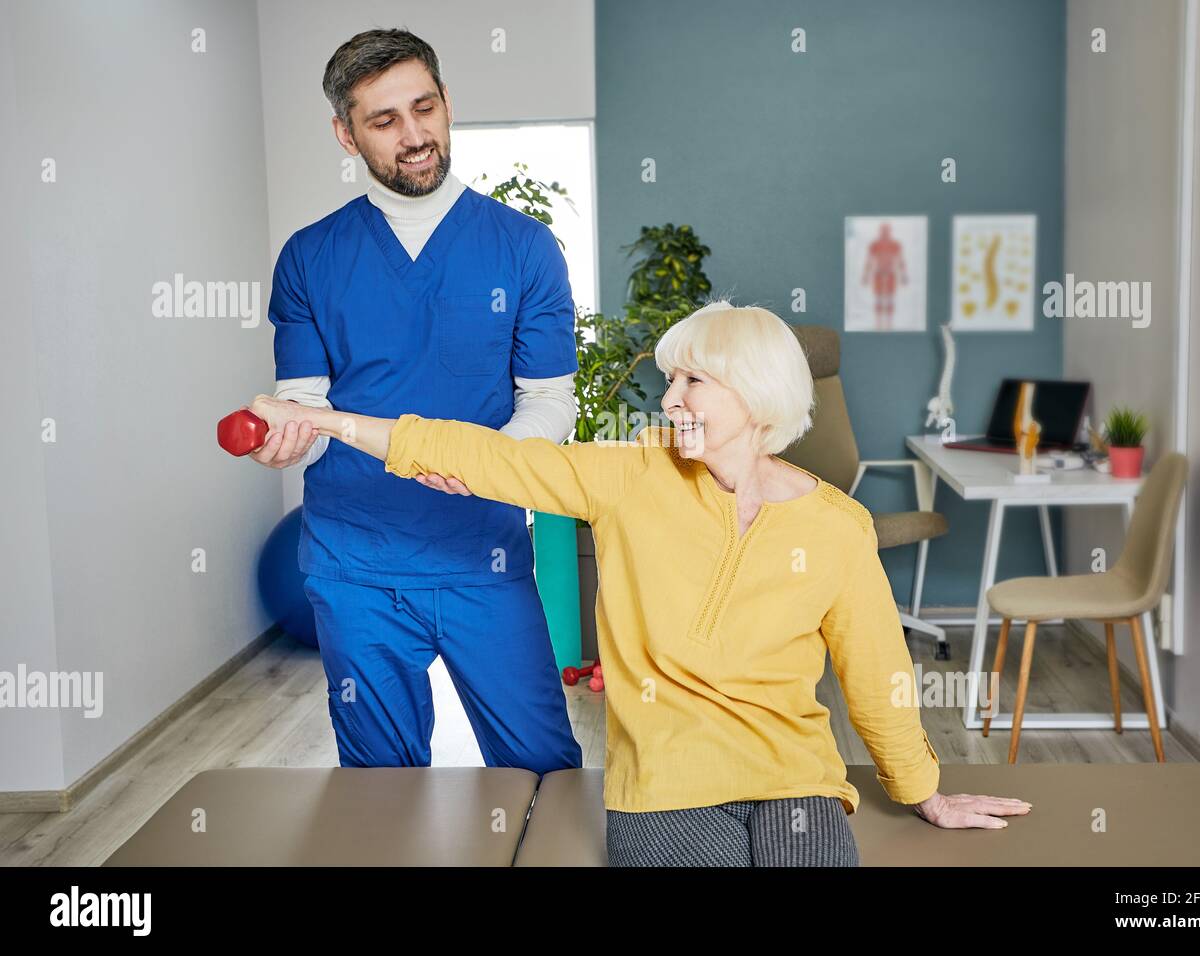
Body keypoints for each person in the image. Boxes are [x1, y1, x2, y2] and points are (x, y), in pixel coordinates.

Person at [246, 302, 1032, 867]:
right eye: (671, 378)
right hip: (664, 777)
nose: (670, 399)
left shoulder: (837, 528)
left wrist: (922, 788)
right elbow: (489, 457)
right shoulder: (632, 474)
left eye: (694, 381)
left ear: (756, 395)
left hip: (796, 774)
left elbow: (879, 673)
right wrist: (332, 423)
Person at [251, 27, 582, 775]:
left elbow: (549, 402)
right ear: (346, 133)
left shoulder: (524, 249)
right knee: (380, 789)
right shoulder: (310, 256)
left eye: (425, 108)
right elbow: (305, 403)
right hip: (354, 562)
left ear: (446, 103)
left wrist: (481, 463)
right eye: (384, 120)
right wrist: (286, 432)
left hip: (482, 552)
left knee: (543, 772)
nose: (415, 136)